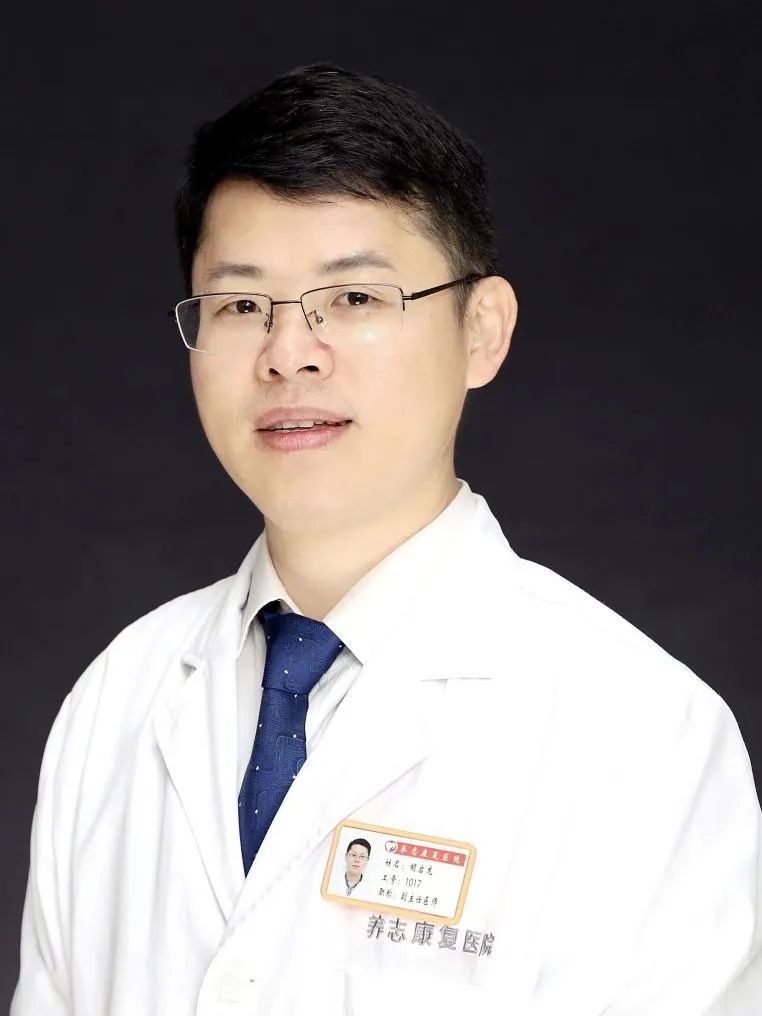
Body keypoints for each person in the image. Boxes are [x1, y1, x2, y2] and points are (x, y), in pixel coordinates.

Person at [10, 61, 762, 1016]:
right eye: (241, 306)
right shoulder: (118, 698)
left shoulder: (643, 736)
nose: (289, 354)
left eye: (355, 299)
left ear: (482, 330)